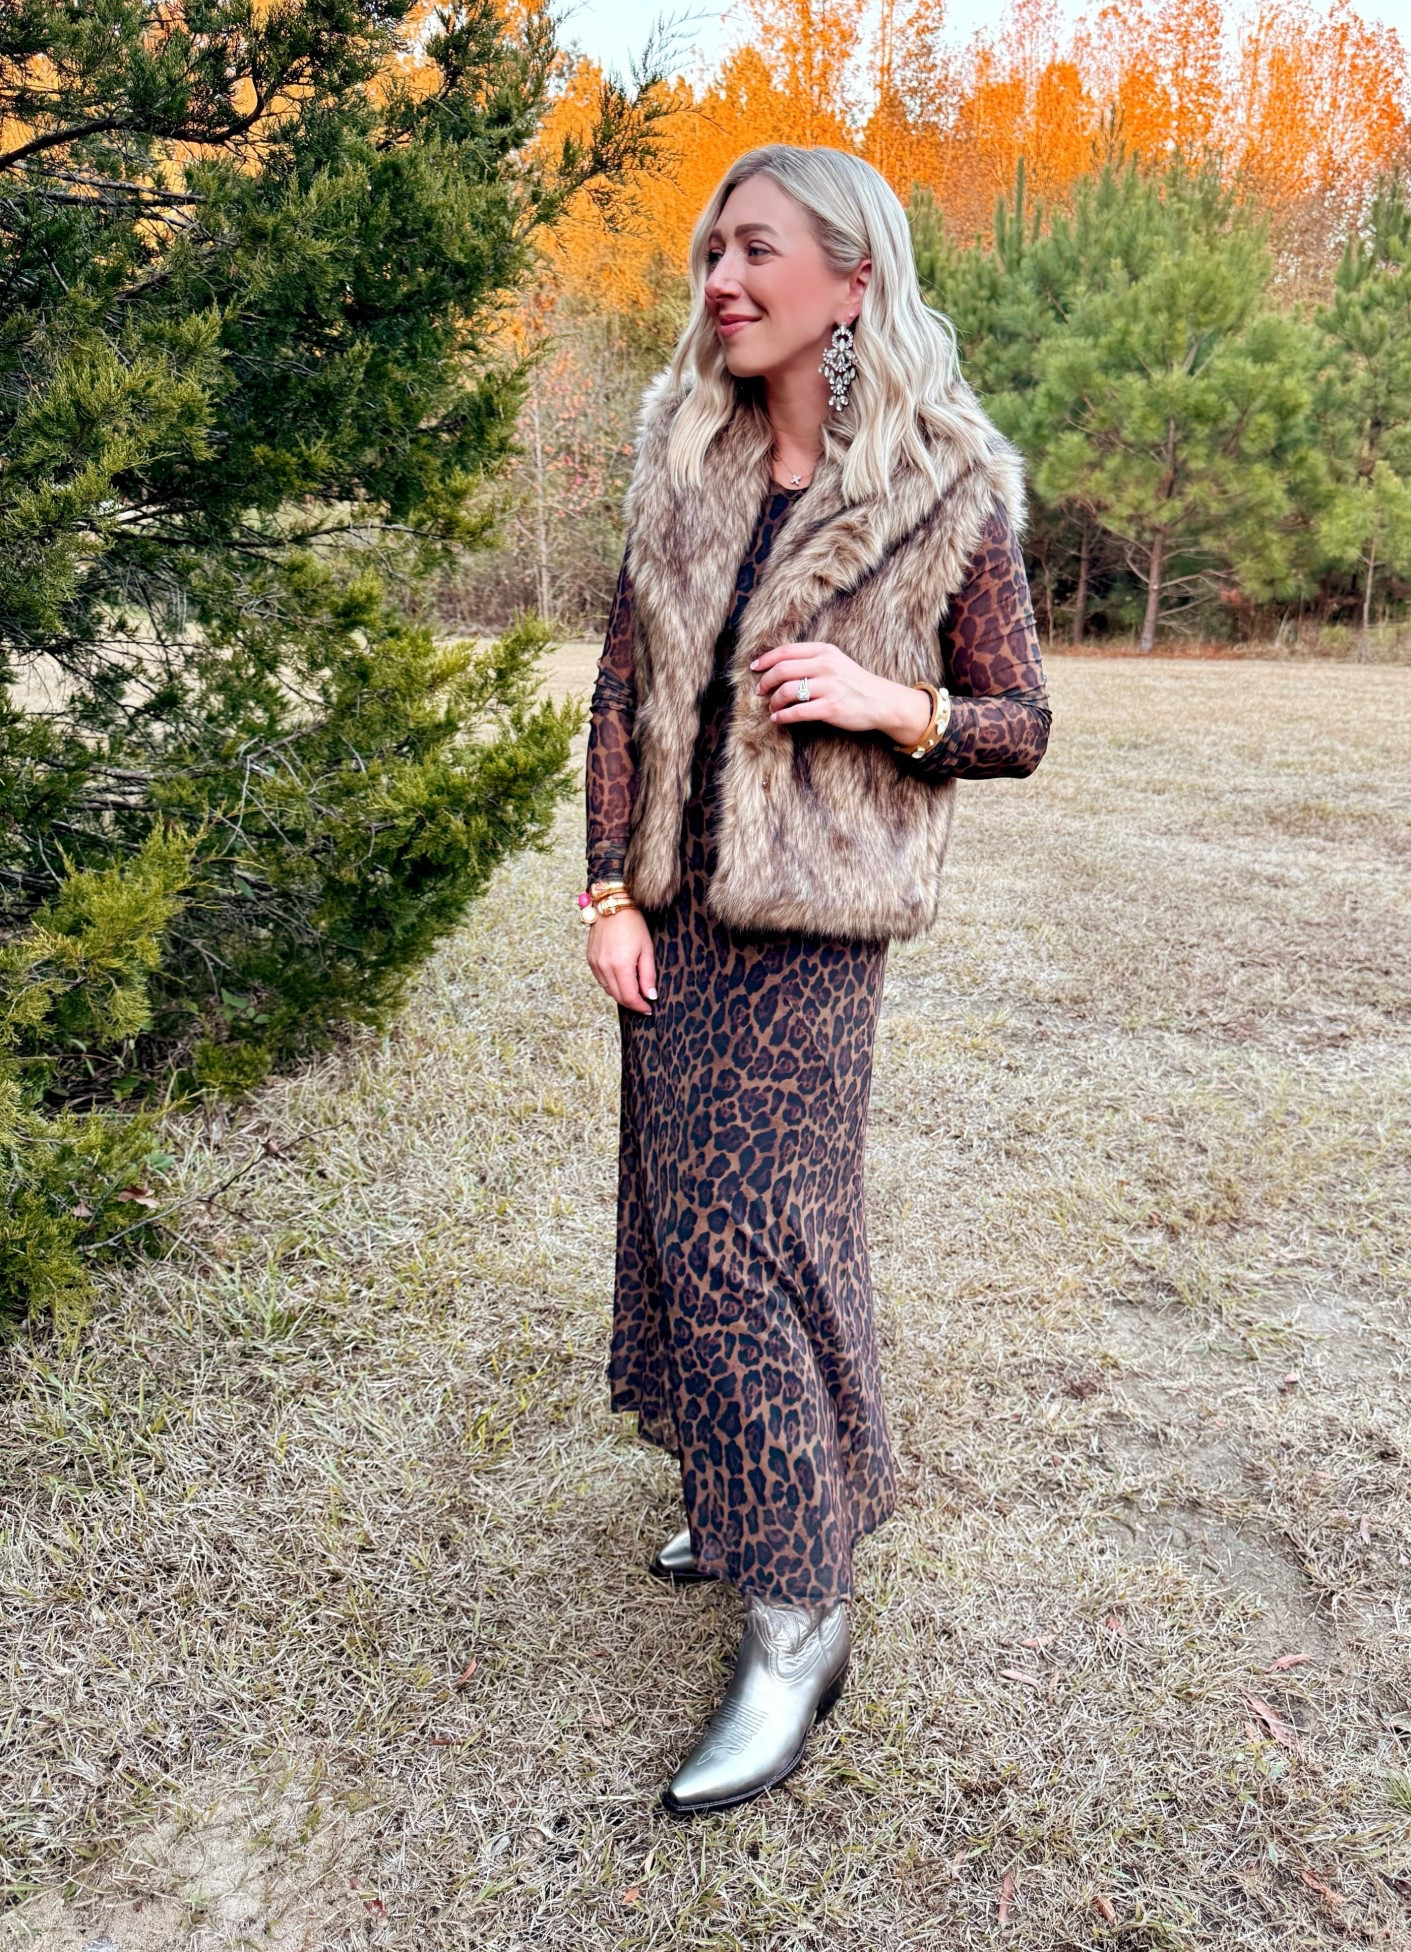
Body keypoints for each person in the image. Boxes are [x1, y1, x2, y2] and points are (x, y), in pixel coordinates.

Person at [581, 144, 1051, 1817]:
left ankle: (799, 1615)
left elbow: (1021, 726)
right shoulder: (679, 461)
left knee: (757, 1247)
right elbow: (619, 701)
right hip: (673, 927)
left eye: (756, 248)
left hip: (811, 950)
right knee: (673, 1218)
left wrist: (882, 700)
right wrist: (603, 894)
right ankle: (741, 1481)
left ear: (852, 280)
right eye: (712, 249)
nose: (720, 275)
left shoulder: (944, 489)